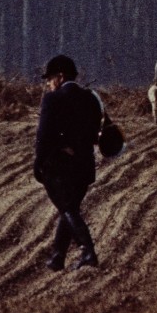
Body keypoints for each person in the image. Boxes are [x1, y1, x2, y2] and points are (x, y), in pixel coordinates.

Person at [33, 54, 103, 271]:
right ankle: (57, 258)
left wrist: (39, 163)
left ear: (60, 77)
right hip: (84, 167)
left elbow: (43, 136)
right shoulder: (91, 97)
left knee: (67, 208)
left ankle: (88, 251)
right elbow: (95, 134)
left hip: (59, 168)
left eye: (50, 78)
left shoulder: (52, 99)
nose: (48, 83)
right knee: (69, 208)